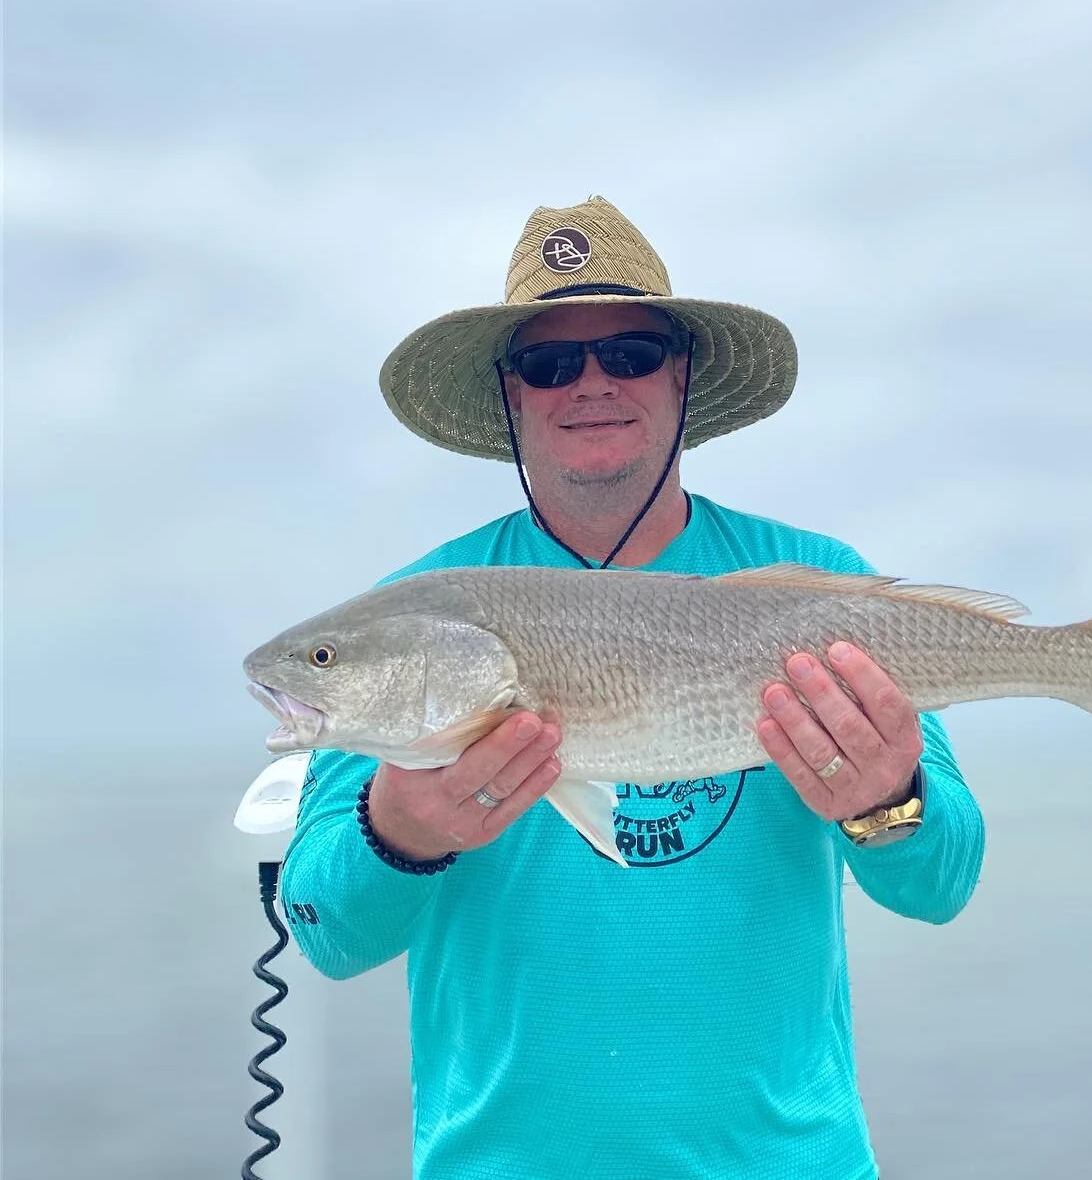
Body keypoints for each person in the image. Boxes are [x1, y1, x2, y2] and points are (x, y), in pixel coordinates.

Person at [281, 196, 986, 1179]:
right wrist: (401, 825)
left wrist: (886, 799)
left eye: (632, 350)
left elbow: (941, 881)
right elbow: (326, 929)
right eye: (550, 361)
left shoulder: (814, 573)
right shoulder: (412, 618)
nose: (593, 382)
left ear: (683, 371)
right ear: (512, 395)